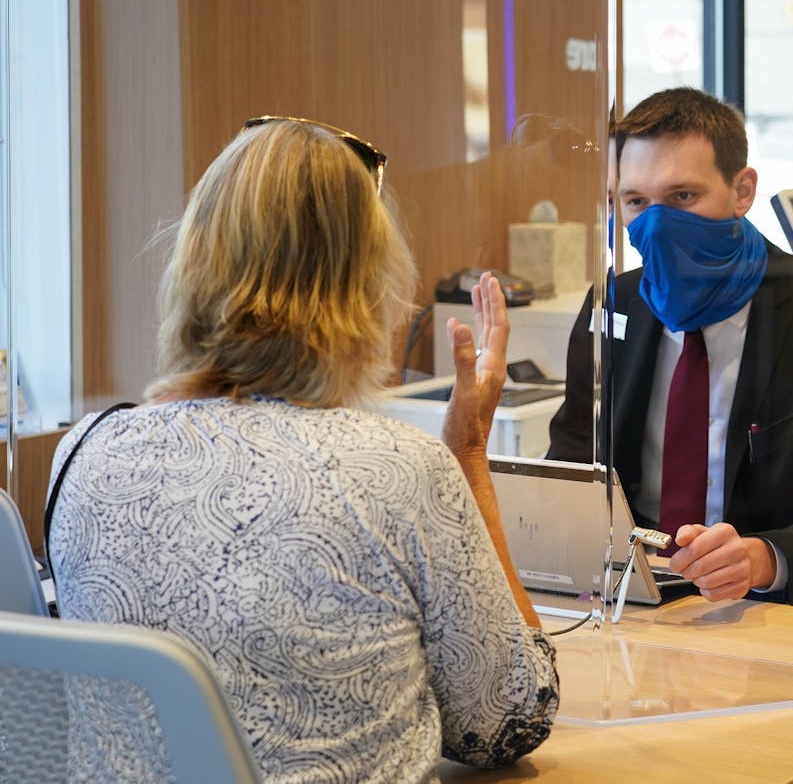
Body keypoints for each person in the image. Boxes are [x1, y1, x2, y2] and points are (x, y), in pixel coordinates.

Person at [47, 117, 559, 782]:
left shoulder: (83, 453)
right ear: (364, 282)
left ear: (194, 263)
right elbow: (508, 719)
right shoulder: (399, 469)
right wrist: (467, 453)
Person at [546, 87, 793, 605]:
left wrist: (760, 557)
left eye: (683, 197)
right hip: (629, 601)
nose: (658, 223)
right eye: (636, 202)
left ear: (742, 191)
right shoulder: (614, 305)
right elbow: (573, 474)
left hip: (761, 608)